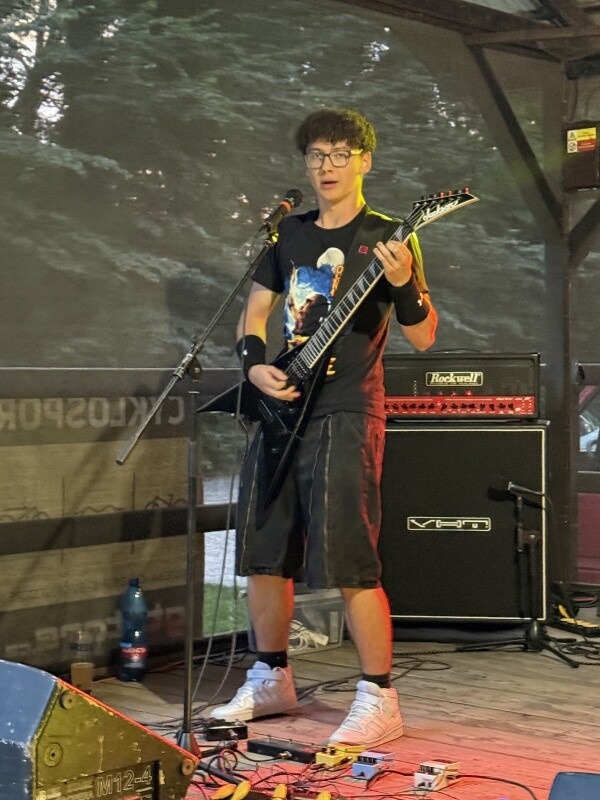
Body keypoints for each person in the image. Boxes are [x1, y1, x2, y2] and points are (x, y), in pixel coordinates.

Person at [210, 107, 438, 748]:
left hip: (346, 409)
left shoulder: (389, 235)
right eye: (316, 155)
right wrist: (254, 367)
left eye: (340, 154)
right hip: (282, 406)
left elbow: (424, 336)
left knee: (348, 557)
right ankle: (270, 678)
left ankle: (379, 697)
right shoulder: (288, 234)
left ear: (365, 161)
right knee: (264, 552)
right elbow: (255, 315)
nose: (326, 166)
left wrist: (404, 284)